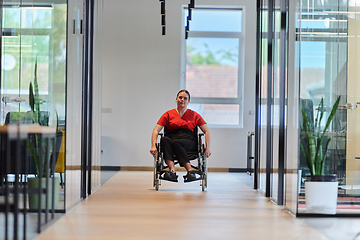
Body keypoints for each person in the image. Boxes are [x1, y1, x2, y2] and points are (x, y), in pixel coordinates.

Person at [150, 89, 211, 182]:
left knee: (175, 143)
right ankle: (172, 171)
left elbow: (206, 131)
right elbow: (156, 130)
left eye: (185, 98)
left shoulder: (195, 115)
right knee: (164, 140)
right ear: (176, 99)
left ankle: (190, 170)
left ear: (188, 101)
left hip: (189, 141)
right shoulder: (168, 114)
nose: (182, 100)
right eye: (180, 97)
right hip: (172, 139)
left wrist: (208, 148)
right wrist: (153, 145)